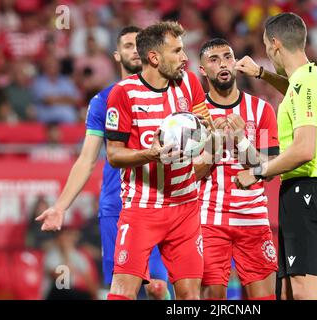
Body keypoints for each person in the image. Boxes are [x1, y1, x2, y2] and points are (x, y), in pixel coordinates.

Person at [35, 26, 169, 300]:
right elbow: (86, 159)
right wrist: (60, 206)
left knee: (158, 287)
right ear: (117, 55)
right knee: (122, 289)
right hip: (116, 205)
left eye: (139, 44)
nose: (135, 50)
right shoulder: (102, 101)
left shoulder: (169, 94)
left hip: (158, 202)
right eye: (128, 45)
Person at [235, 12, 317, 300]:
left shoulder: (304, 85)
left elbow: (304, 149)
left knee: (305, 293)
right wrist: (261, 74)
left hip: (306, 192)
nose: (268, 53)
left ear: (275, 44)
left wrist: (257, 171)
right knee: (290, 294)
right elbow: (294, 90)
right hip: (309, 193)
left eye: (267, 47)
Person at [104, 21, 208, 300]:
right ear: (154, 57)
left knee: (189, 296)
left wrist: (214, 137)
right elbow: (113, 155)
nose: (185, 58)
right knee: (122, 292)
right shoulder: (123, 94)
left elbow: (206, 134)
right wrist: (150, 154)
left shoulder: (190, 84)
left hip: (185, 208)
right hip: (142, 208)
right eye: (177, 51)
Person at [197, 38, 279, 300]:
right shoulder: (194, 116)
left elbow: (269, 169)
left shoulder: (261, 109)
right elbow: (189, 175)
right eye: (214, 59)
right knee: (213, 298)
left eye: (227, 57)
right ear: (202, 70)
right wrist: (213, 145)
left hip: (253, 218)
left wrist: (241, 140)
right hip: (209, 220)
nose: (222, 63)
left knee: (264, 298)